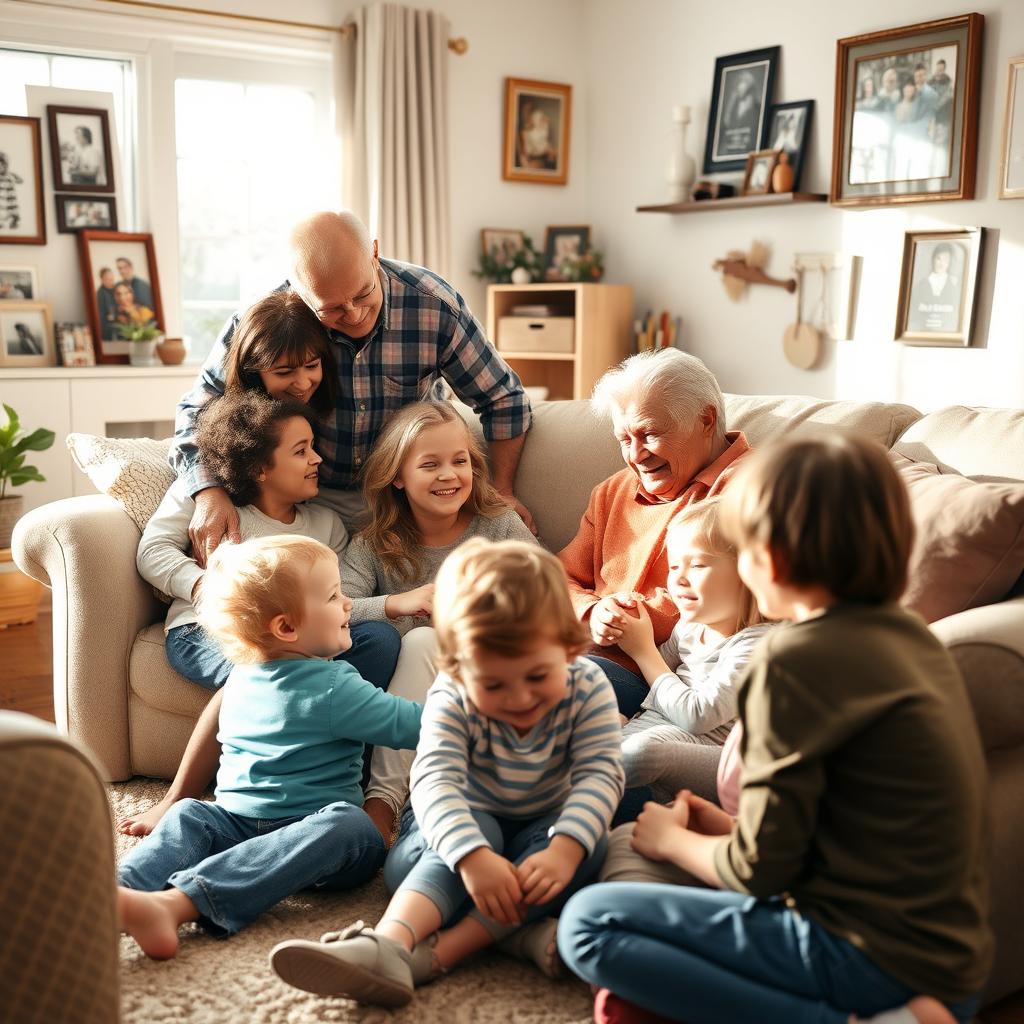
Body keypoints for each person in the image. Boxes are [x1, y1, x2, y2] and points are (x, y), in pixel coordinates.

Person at [557, 433, 992, 1024]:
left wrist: (675, 842)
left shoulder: (789, 664)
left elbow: (758, 872)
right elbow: (847, 824)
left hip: (862, 954)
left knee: (588, 923)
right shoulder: (913, 640)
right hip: (952, 962)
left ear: (770, 559)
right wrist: (724, 827)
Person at [269, 539, 625, 1007]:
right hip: (462, 821)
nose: (519, 698)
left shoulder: (589, 684)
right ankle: (389, 942)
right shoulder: (451, 692)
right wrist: (473, 858)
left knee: (588, 852)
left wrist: (564, 848)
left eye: (538, 676)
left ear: (570, 650)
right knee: (420, 864)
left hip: (545, 829)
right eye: (493, 684)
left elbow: (601, 773)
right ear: (456, 665)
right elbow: (435, 780)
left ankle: (433, 957)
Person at [117, 291, 399, 838]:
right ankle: (180, 797)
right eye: (301, 452)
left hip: (292, 631)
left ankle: (342, 786)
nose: (316, 459)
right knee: (263, 670)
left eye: (312, 366)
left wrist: (388, 605)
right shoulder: (209, 493)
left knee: (380, 643)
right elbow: (152, 552)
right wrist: (210, 585)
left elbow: (332, 603)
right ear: (261, 464)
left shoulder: (325, 525)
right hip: (207, 626)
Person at [116, 535, 423, 959]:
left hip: (271, 832)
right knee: (348, 826)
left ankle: (126, 896)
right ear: (286, 627)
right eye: (334, 596)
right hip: (278, 829)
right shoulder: (337, 686)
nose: (349, 603)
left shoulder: (241, 676)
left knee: (200, 814)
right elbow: (415, 726)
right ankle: (149, 901)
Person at [171, 210, 534, 569]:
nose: (355, 314)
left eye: (363, 294)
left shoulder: (433, 305)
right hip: (305, 502)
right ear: (298, 290)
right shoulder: (271, 316)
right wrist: (208, 492)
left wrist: (502, 490)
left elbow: (503, 400)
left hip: (400, 498)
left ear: (374, 252)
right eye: (332, 309)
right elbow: (198, 409)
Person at [342, 399, 538, 843]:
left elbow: (545, 594)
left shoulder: (498, 526)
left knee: (427, 643)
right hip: (415, 687)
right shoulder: (374, 543)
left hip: (491, 676)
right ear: (397, 476)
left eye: (460, 461)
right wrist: (398, 603)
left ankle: (385, 798)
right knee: (420, 643)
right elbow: (338, 607)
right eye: (430, 464)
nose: (449, 475)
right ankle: (388, 799)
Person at [559, 348, 751, 717]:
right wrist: (591, 612)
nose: (636, 455)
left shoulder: (752, 488)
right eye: (624, 439)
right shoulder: (613, 491)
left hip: (665, 677)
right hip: (582, 652)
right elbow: (559, 575)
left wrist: (622, 621)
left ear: (706, 420)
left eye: (648, 434)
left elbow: (737, 595)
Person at [614, 498, 772, 812]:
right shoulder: (689, 626)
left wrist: (643, 650)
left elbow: (698, 715)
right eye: (674, 566)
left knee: (641, 751)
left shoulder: (759, 645)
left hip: (685, 763)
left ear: (749, 573)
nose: (679, 578)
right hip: (645, 732)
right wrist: (624, 628)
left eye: (697, 565)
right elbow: (655, 676)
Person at [907, 243, 960, 333]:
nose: (941, 263)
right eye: (938, 259)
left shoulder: (954, 284)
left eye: (945, 260)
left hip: (947, 332)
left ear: (949, 262)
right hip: (924, 331)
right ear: (933, 260)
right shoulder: (922, 284)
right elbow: (914, 312)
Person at [721, 70, 760, 154]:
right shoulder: (733, 107)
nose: (739, 88)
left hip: (747, 150)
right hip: (732, 149)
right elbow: (727, 124)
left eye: (743, 83)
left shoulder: (757, 108)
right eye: (739, 84)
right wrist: (730, 105)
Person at [0, 150, 23, 230]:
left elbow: (20, 180)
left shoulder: (9, 176)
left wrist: (14, 176)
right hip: (2, 202)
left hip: (9, 200)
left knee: (12, 211)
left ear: (5, 165)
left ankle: (14, 220)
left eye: (2, 165)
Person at [96, 267, 118, 340]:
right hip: (109, 331)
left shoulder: (116, 289)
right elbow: (101, 318)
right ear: (102, 279)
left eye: (111, 277)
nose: (110, 280)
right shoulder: (100, 294)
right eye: (107, 278)